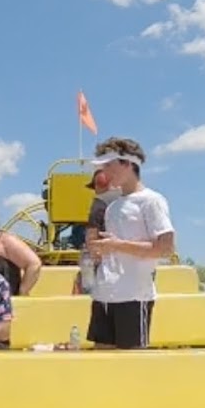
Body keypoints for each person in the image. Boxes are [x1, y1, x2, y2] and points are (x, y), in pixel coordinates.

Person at [86, 137, 175, 350]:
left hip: (134, 296)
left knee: (131, 364)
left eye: (109, 164)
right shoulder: (113, 207)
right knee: (101, 361)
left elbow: (166, 248)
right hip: (105, 294)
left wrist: (117, 245)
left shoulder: (151, 200)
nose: (105, 171)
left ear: (127, 164)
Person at [84, 168, 121, 247]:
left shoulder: (99, 203)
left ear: (98, 184)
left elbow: (92, 235)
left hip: (110, 251)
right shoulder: (132, 198)